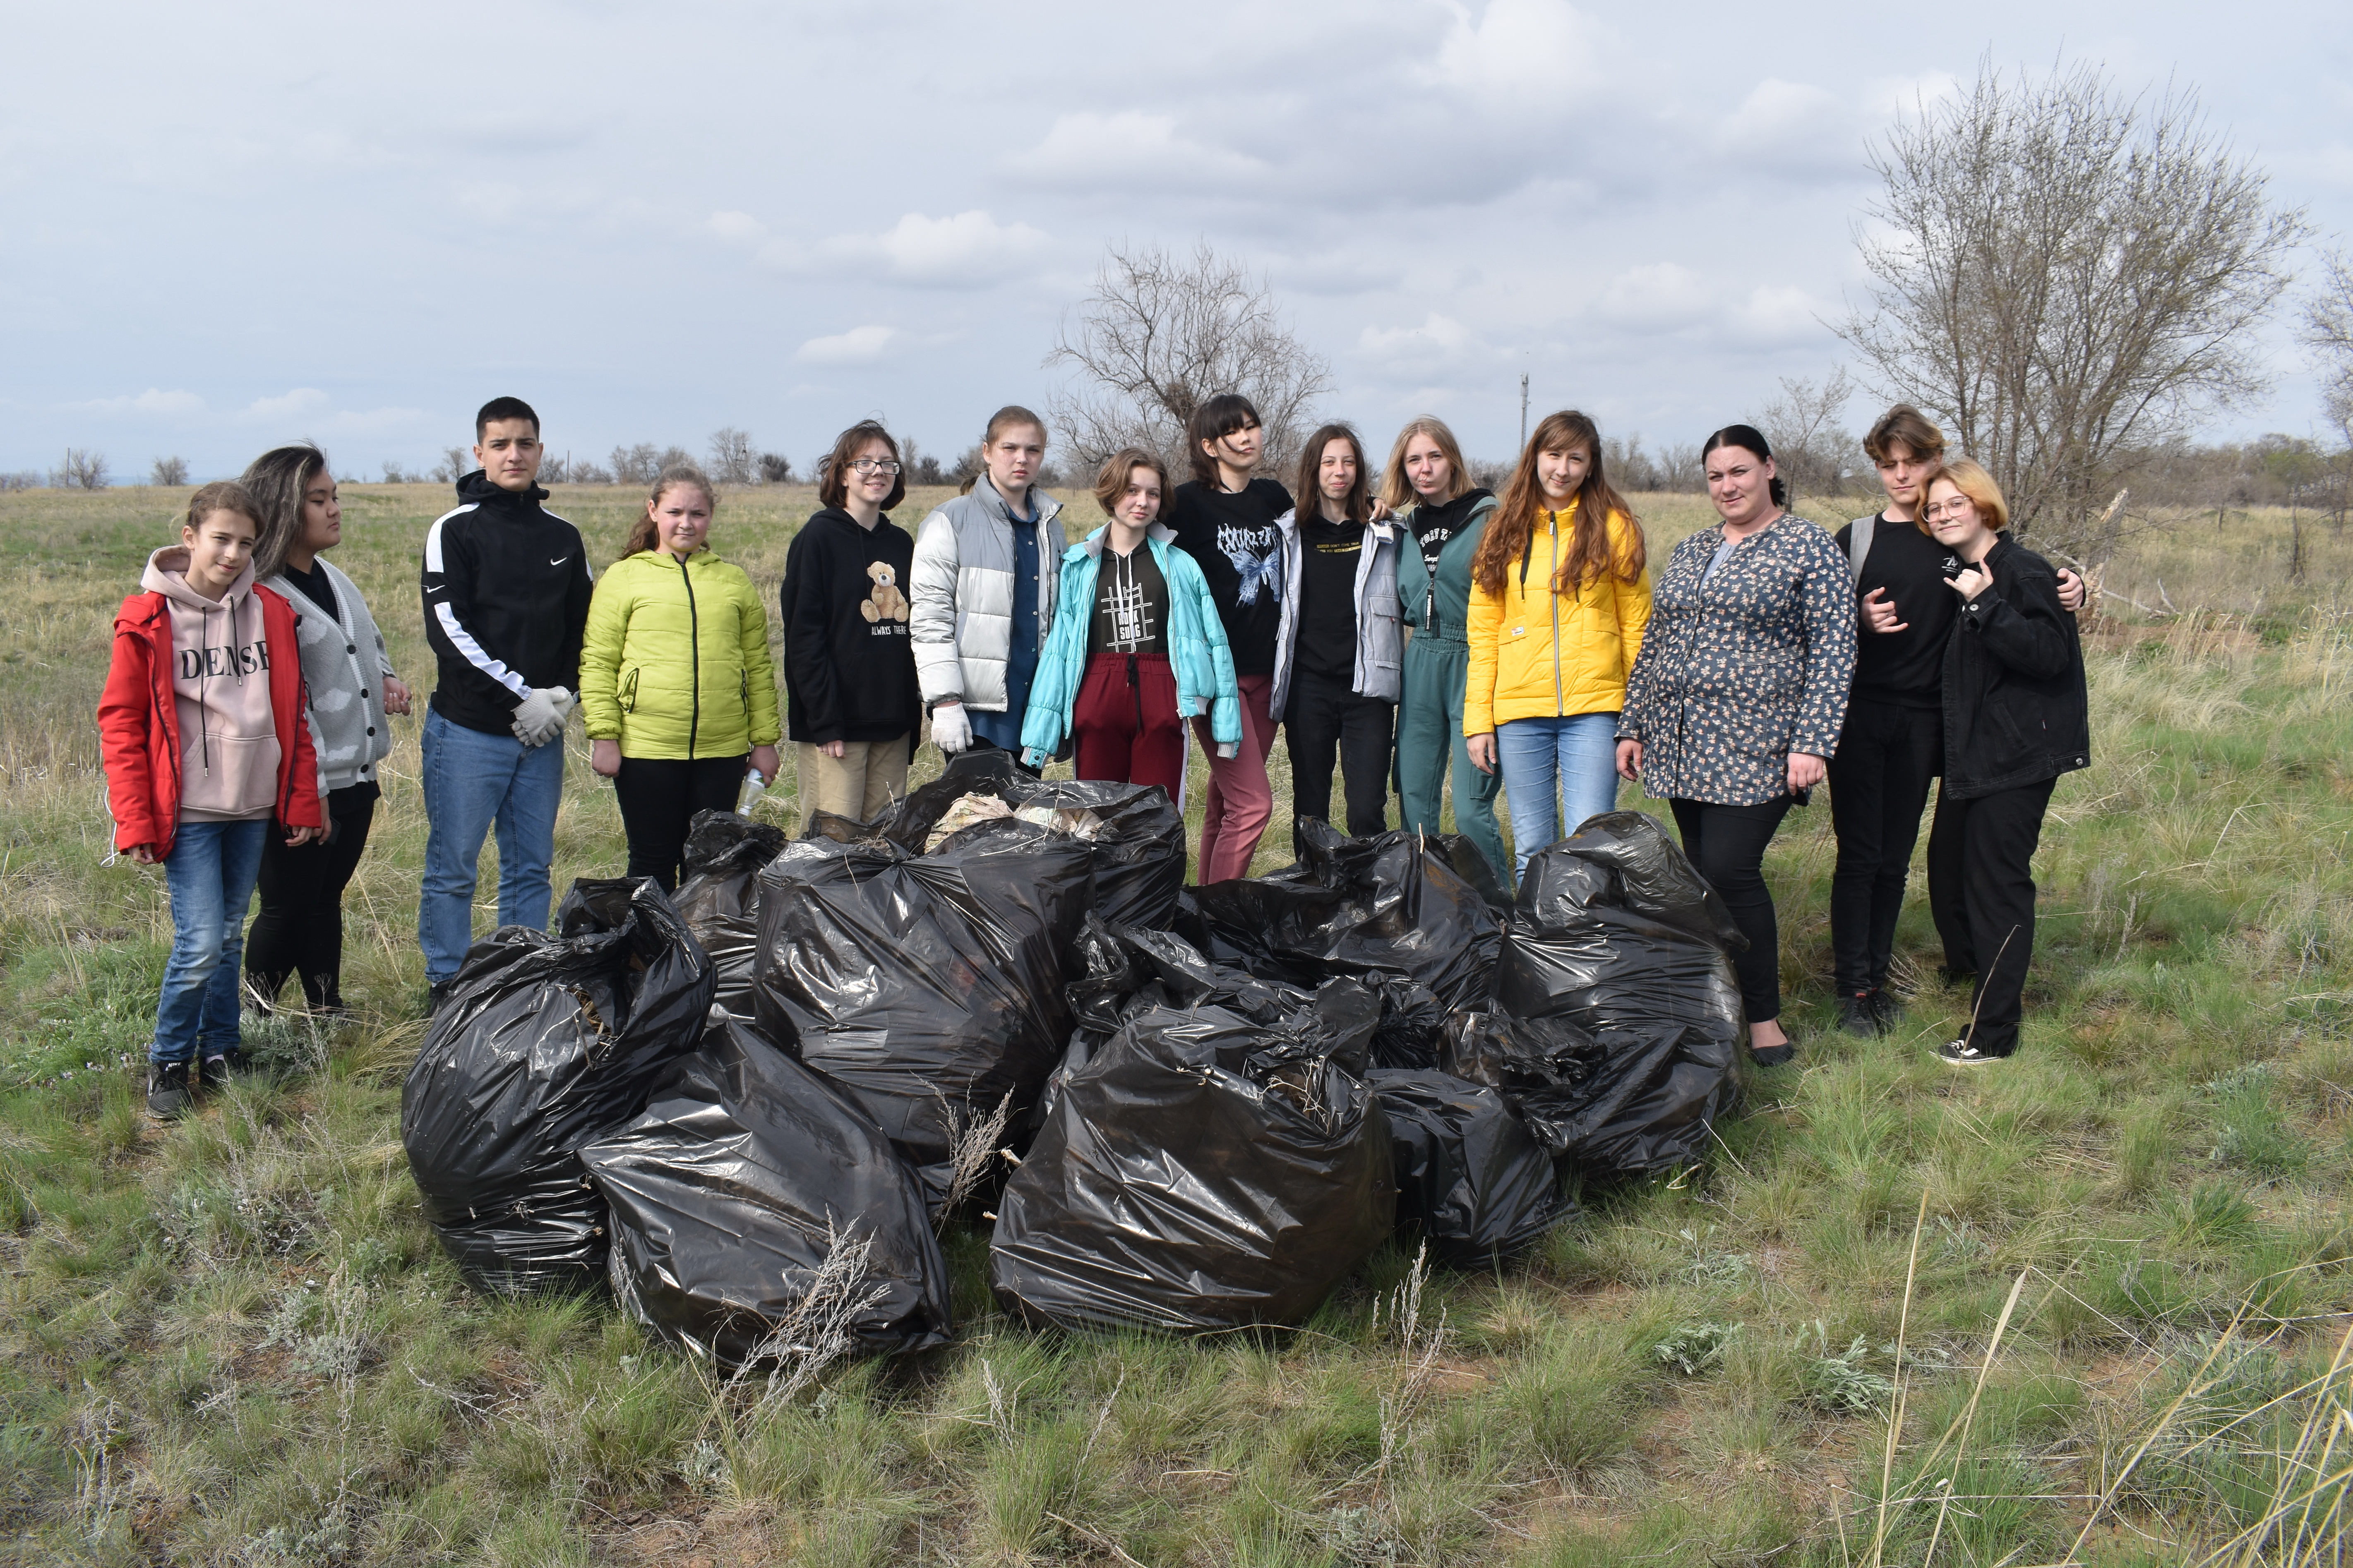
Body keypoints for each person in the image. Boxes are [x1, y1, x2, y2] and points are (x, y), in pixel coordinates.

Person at [1830, 405, 2089, 1037]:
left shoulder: (1950, 533)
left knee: (1897, 859)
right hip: (1860, 717)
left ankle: (1893, 975)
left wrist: (2076, 587)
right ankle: (1854, 987)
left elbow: (2022, 581)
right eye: (1887, 465)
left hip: (1932, 727)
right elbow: (1819, 628)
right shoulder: (1855, 539)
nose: (1901, 475)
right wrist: (1856, 623)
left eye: (1913, 462)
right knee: (1860, 856)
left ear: (1936, 463)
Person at [1616, 425, 1854, 1067]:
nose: (1728, 486)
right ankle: (1713, 1004)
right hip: (1682, 739)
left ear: (1768, 469)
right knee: (1704, 881)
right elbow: (1657, 642)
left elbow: (1835, 647)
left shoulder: (1806, 546)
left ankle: (1764, 1022)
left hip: (1759, 743)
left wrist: (1813, 742)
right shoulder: (1693, 548)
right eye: (1716, 475)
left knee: (1730, 871)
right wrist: (1632, 723)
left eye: (1740, 471)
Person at [99, 483, 325, 1116]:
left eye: (245, 542)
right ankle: (169, 1058)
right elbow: (120, 723)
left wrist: (301, 798)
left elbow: (293, 713)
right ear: (190, 536)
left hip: (252, 802)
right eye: (220, 538)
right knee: (199, 940)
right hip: (189, 810)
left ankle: (221, 1049)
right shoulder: (147, 618)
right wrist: (134, 818)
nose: (232, 553)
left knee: (228, 936)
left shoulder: (272, 612)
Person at [417, 396, 593, 1012]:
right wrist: (523, 694)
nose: (513, 454)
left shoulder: (563, 537)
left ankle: (521, 976)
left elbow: (585, 627)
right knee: (454, 865)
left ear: (541, 451)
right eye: (500, 444)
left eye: (524, 444)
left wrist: (562, 699)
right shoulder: (455, 530)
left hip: (541, 734)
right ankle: (448, 983)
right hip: (469, 730)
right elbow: (450, 630)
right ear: (478, 453)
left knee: (530, 866)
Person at [1917, 459, 2089, 1066]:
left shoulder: (2021, 571)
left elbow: (2048, 655)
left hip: (2016, 756)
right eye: (1933, 508)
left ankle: (1993, 1034)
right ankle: (1972, 970)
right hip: (1973, 754)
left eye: (1952, 505)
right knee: (1947, 871)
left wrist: (1988, 603)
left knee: (1996, 887)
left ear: (1982, 507)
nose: (1941, 516)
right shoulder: (1958, 570)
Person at [241, 444, 411, 1016]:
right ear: (285, 507)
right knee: (287, 907)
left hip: (357, 775)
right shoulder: (263, 595)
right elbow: (283, 697)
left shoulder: (334, 578)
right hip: (303, 788)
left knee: (324, 900)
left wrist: (386, 678)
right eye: (319, 499)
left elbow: (369, 639)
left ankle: (324, 1007)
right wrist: (307, 789)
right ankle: (253, 1015)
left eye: (334, 496)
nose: (334, 508)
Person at [1463, 411, 1651, 881]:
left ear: (1591, 465)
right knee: (1532, 845)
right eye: (1553, 455)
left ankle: (1586, 951)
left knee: (1591, 844)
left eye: (1575, 458)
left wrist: (1637, 720)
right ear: (1535, 458)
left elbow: (1637, 628)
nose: (1562, 469)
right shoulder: (1501, 529)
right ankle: (1538, 951)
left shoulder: (1616, 527)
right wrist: (1478, 722)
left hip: (1595, 709)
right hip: (1520, 712)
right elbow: (1483, 635)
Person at [579, 465, 781, 891]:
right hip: (646, 749)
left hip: (722, 750)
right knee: (652, 859)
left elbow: (759, 666)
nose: (686, 523)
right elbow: (598, 662)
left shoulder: (733, 581)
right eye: (674, 512)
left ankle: (702, 953)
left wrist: (763, 743)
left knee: (709, 864)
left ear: (710, 517)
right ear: (653, 511)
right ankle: (653, 956)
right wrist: (604, 735)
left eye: (697, 513)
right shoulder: (623, 578)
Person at [1021, 449, 1241, 797]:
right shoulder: (1079, 565)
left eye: (1152, 494)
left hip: (1162, 698)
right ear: (1112, 493)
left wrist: (1226, 723)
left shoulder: (1181, 565)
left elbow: (1215, 641)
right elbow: (1060, 650)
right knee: (1096, 820)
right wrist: (1040, 735)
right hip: (1096, 698)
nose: (1143, 502)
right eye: (1132, 491)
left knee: (1157, 821)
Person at [1164, 394, 1294, 880]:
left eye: (1252, 427)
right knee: (1255, 804)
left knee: (1225, 801)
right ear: (1209, 445)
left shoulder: (1274, 498)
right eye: (1233, 431)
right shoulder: (1187, 504)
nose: (1246, 438)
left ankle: (1206, 910)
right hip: (1219, 679)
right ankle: (1222, 916)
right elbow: (1142, 548)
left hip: (1267, 674)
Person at [1381, 417, 1509, 882]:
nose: (1425, 468)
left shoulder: (1490, 518)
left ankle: (1499, 913)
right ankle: (1426, 903)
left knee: (1472, 807)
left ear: (1453, 459)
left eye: (1434, 456)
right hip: (1421, 658)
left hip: (1475, 659)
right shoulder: (1403, 528)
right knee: (1414, 796)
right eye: (1414, 459)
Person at [780, 420, 923, 829]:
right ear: (843, 473)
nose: (877, 471)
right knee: (832, 850)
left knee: (883, 846)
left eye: (887, 464)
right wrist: (824, 721)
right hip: (837, 728)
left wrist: (911, 721)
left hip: (892, 724)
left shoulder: (902, 545)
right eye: (865, 462)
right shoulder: (817, 538)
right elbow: (803, 638)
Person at [911, 406, 1066, 760]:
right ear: (987, 452)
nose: (1021, 459)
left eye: (1033, 450)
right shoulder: (949, 520)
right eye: (1009, 448)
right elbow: (930, 620)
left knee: (1022, 816)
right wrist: (945, 701)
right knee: (976, 815)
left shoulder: (1051, 528)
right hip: (974, 715)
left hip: (1032, 712)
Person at [1271, 423, 1404, 838]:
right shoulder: (1289, 532)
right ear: (1314, 470)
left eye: (1348, 462)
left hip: (1367, 689)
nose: (1339, 471)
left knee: (1366, 812)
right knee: (1311, 812)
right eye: (1329, 462)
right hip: (1308, 688)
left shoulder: (1386, 532)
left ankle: (1364, 899)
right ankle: (1314, 898)